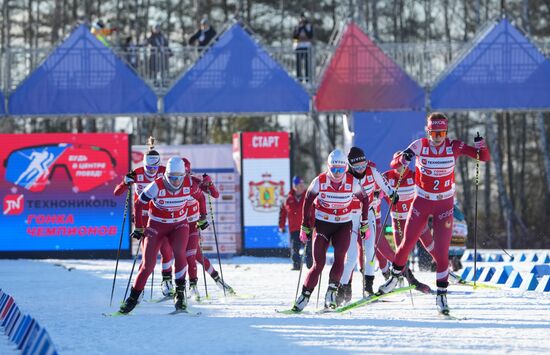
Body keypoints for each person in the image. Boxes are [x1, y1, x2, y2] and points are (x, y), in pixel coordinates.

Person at [378, 112, 491, 315]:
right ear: (427, 132)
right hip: (421, 203)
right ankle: (395, 277)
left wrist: (481, 144)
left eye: (441, 133)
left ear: (446, 132)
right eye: (433, 133)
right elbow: (394, 164)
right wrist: (404, 158)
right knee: (406, 243)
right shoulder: (419, 145)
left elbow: (483, 157)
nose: (437, 138)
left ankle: (441, 296)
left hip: (444, 207)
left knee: (441, 253)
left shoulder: (454, 146)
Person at [118, 157, 205, 314]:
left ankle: (180, 296)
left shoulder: (189, 183)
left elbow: (201, 197)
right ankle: (132, 300)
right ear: (166, 175)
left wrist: (203, 217)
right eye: (172, 178)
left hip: (179, 225)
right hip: (157, 226)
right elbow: (138, 204)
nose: (176, 182)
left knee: (180, 253)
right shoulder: (156, 185)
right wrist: (138, 227)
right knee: (148, 265)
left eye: (179, 177)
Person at [292, 149, 372, 312]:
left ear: (345, 168)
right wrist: (305, 226)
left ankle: (331, 292)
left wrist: (364, 223)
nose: (337, 173)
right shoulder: (320, 181)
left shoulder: (351, 182)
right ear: (328, 167)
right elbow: (307, 202)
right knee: (318, 264)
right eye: (334, 169)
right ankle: (304, 296)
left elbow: (364, 198)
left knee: (340, 257)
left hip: (343, 225)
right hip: (323, 224)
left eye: (341, 170)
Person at [337, 147, 399, 305]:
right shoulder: (345, 176)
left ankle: (368, 287)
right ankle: (343, 288)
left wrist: (392, 194)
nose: (361, 170)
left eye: (363, 165)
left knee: (370, 250)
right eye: (357, 167)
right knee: (350, 255)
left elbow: (384, 185)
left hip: (368, 214)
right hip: (350, 216)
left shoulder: (372, 171)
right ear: (350, 166)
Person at [279, 176, 312, 270]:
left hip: (307, 227)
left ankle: (311, 264)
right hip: (294, 228)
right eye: (299, 185)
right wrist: (281, 226)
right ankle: (296, 265)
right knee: (295, 248)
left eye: (303, 185)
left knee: (310, 247)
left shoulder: (309, 196)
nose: (301, 187)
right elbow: (282, 213)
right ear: (294, 186)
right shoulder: (288, 199)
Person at [292, 12, 313, 82]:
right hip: (299, 47)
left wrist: (304, 27)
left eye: (303, 17)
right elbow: (295, 37)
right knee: (298, 64)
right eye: (301, 17)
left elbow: (310, 36)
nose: (302, 19)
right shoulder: (297, 26)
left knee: (307, 63)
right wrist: (300, 28)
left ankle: (307, 79)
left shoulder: (309, 26)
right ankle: (299, 79)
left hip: (307, 46)